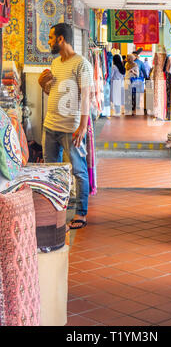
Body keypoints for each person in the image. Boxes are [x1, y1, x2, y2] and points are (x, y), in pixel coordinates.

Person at [38, 23, 93, 230]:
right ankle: (55, 210)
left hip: (71, 128)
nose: (49, 41)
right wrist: (42, 84)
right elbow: (50, 92)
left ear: (61, 39)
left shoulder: (82, 64)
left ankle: (81, 213)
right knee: (51, 170)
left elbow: (86, 96)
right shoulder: (55, 63)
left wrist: (82, 127)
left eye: (51, 38)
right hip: (50, 126)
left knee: (78, 171)